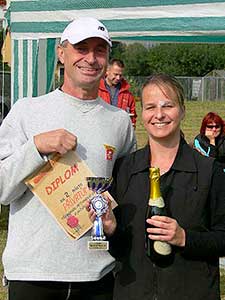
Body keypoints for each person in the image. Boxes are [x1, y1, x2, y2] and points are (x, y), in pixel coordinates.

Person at [0, 17, 136, 300]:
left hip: (96, 274)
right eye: (81, 48)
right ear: (62, 54)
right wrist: (36, 148)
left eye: (99, 50)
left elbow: (126, 193)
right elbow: (2, 190)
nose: (91, 58)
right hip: (33, 273)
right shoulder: (27, 111)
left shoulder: (120, 121)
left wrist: (115, 223)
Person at [91, 74, 225, 300]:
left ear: (182, 110)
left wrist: (184, 238)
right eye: (151, 107)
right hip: (132, 293)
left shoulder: (208, 170)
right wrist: (112, 230)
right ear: (142, 114)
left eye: (168, 106)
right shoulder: (124, 169)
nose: (159, 114)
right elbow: (120, 249)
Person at [98, 59, 137, 128]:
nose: (118, 78)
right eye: (115, 74)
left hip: (120, 134)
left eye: (120, 75)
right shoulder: (95, 91)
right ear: (107, 71)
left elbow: (132, 116)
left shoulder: (128, 95)